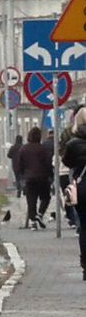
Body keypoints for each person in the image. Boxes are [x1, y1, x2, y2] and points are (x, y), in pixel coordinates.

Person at [60, 108, 86, 279]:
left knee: (84, 227)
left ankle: (85, 265)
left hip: (82, 187)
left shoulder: (73, 143)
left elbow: (66, 162)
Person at [19, 126, 53, 230]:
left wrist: (23, 175)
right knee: (46, 198)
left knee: (31, 200)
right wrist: (50, 175)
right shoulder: (43, 149)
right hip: (43, 177)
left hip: (29, 178)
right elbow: (48, 163)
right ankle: (40, 214)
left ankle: (33, 222)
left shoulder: (23, 149)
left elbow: (20, 164)